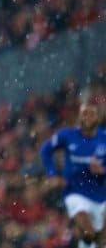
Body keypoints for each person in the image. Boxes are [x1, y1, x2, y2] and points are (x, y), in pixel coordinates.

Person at [41, 101, 106, 248]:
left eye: (92, 113)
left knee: (98, 240)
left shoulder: (104, 138)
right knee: (89, 232)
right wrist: (52, 174)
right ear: (79, 116)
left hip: (100, 195)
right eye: (84, 113)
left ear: (98, 117)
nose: (88, 117)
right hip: (74, 192)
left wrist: (102, 171)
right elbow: (45, 150)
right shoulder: (67, 135)